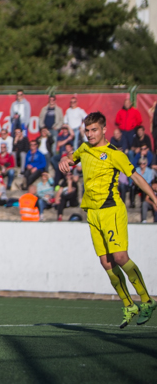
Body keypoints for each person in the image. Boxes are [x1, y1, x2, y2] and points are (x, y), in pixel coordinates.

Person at [59, 111, 157, 328]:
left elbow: (136, 177)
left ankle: (147, 300)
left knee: (120, 257)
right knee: (106, 262)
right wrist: (64, 161)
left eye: (94, 130)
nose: (90, 134)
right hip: (92, 212)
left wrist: (153, 197)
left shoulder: (114, 154)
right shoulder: (84, 148)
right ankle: (128, 305)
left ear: (104, 130)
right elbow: (70, 158)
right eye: (87, 130)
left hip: (111, 210)